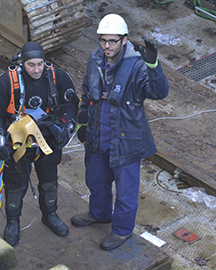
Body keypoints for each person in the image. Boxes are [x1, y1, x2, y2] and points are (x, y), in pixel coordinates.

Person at [71, 14, 169, 251]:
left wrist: (153, 66)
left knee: (125, 191)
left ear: (124, 40)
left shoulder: (137, 64)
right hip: (97, 134)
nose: (107, 46)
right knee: (96, 180)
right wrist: (82, 123)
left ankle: (122, 231)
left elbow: (159, 92)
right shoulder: (95, 58)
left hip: (125, 139)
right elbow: (87, 92)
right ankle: (99, 214)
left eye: (112, 41)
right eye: (103, 41)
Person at [0, 41, 79, 247]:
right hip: (18, 142)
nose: (36, 70)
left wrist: (67, 127)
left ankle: (50, 214)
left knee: (49, 181)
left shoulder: (57, 77)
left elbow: (71, 104)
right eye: (31, 65)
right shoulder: (6, 82)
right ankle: (13, 222)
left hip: (48, 140)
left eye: (40, 64)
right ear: (22, 64)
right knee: (16, 185)